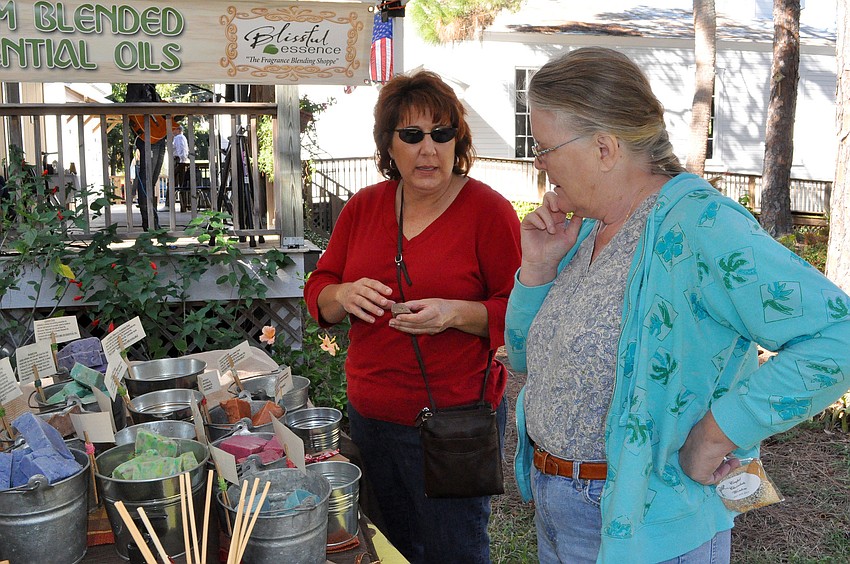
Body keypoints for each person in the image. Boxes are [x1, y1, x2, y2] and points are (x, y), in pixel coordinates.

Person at [505, 46, 850, 564]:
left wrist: (719, 432)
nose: (540, 163)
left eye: (546, 147)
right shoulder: (587, 228)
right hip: (558, 504)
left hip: (646, 523)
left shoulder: (702, 226)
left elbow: (837, 338)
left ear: (603, 147)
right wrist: (536, 270)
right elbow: (525, 359)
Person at [303, 70, 522, 563]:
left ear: (457, 141)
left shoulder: (488, 212)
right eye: (412, 135)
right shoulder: (363, 207)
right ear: (389, 144)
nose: (429, 149)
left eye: (442, 134)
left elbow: (523, 312)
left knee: (455, 550)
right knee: (390, 546)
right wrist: (343, 294)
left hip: (452, 423)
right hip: (371, 417)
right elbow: (318, 288)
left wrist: (455, 313)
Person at [126, 83, 165, 230]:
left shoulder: (152, 87)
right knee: (146, 180)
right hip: (147, 137)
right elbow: (131, 108)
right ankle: (149, 223)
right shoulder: (136, 84)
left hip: (159, 136)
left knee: (151, 181)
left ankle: (152, 221)